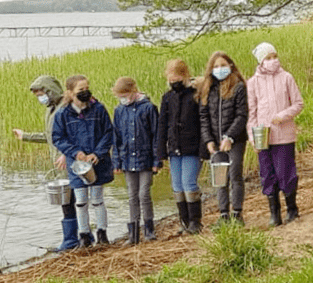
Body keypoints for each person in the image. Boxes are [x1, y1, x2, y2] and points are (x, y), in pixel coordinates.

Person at [12, 75, 78, 252]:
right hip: (59, 166)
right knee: (67, 201)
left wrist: (66, 153)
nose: (41, 98)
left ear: (50, 91)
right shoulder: (50, 111)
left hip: (71, 163)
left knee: (74, 200)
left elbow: (75, 135)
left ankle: (75, 239)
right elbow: (50, 137)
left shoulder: (65, 108)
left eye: (42, 94)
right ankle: (71, 239)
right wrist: (25, 136)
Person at [52, 75, 116, 247]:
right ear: (71, 93)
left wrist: (98, 153)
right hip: (77, 164)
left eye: (87, 88)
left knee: (97, 199)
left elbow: (108, 133)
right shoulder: (63, 114)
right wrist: (75, 152)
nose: (85, 92)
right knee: (80, 201)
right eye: (81, 90)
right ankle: (84, 235)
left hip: (97, 162)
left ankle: (102, 232)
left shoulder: (99, 109)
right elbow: (58, 138)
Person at [247, 42, 306, 226]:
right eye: (268, 58)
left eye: (274, 56)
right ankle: (274, 213)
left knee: (286, 172)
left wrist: (283, 115)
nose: (273, 61)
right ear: (261, 61)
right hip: (263, 136)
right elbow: (251, 113)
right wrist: (252, 138)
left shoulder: (286, 77)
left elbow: (298, 103)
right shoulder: (253, 83)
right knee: (267, 174)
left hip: (284, 135)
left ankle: (292, 209)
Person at [198, 51, 250, 224]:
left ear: (230, 66)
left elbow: (241, 115)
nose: (220, 69)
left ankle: (237, 212)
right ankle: (223, 214)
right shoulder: (208, 89)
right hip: (215, 139)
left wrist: (230, 137)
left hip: (235, 139)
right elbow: (203, 117)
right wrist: (209, 140)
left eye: (223, 65)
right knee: (220, 177)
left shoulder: (238, 87)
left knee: (235, 173)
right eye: (216, 66)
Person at [156, 59, 208, 235]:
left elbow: (203, 122)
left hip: (192, 146)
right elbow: (162, 125)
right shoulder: (167, 97)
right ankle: (184, 221)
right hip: (174, 147)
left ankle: (195, 221)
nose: (174, 82)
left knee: (189, 182)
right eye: (171, 79)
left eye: (177, 78)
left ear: (185, 75)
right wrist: (161, 151)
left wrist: (203, 149)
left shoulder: (195, 94)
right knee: (177, 185)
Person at [111, 77, 160, 245]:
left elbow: (156, 136)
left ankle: (149, 229)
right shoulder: (119, 111)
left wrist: (156, 160)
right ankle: (133, 233)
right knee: (132, 195)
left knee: (144, 194)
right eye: (119, 96)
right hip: (127, 159)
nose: (122, 98)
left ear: (133, 90)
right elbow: (116, 138)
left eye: (124, 94)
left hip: (145, 158)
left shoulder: (148, 108)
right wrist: (116, 162)